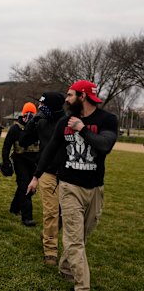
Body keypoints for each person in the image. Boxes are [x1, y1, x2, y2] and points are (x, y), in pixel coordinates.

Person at [27, 80, 117, 290]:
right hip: (68, 187)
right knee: (73, 239)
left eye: (70, 95)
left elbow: (105, 145)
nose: (66, 99)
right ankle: (82, 287)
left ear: (82, 96)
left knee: (82, 236)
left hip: (95, 189)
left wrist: (82, 129)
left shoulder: (107, 120)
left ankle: (66, 267)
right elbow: (49, 150)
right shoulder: (64, 122)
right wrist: (36, 177)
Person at [19, 91, 66, 266]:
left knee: (65, 213)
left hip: (67, 174)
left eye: (43, 104)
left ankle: (47, 233)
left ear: (53, 105)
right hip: (46, 172)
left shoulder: (67, 122)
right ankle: (50, 250)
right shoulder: (40, 122)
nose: (40, 107)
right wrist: (32, 121)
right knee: (51, 212)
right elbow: (23, 141)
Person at [1, 102, 40, 227]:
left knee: (27, 188)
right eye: (27, 113)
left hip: (34, 162)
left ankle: (14, 208)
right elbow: (6, 146)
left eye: (32, 114)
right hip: (20, 160)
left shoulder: (38, 127)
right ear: (22, 114)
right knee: (25, 187)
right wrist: (6, 161)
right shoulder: (15, 128)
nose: (29, 116)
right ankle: (27, 217)